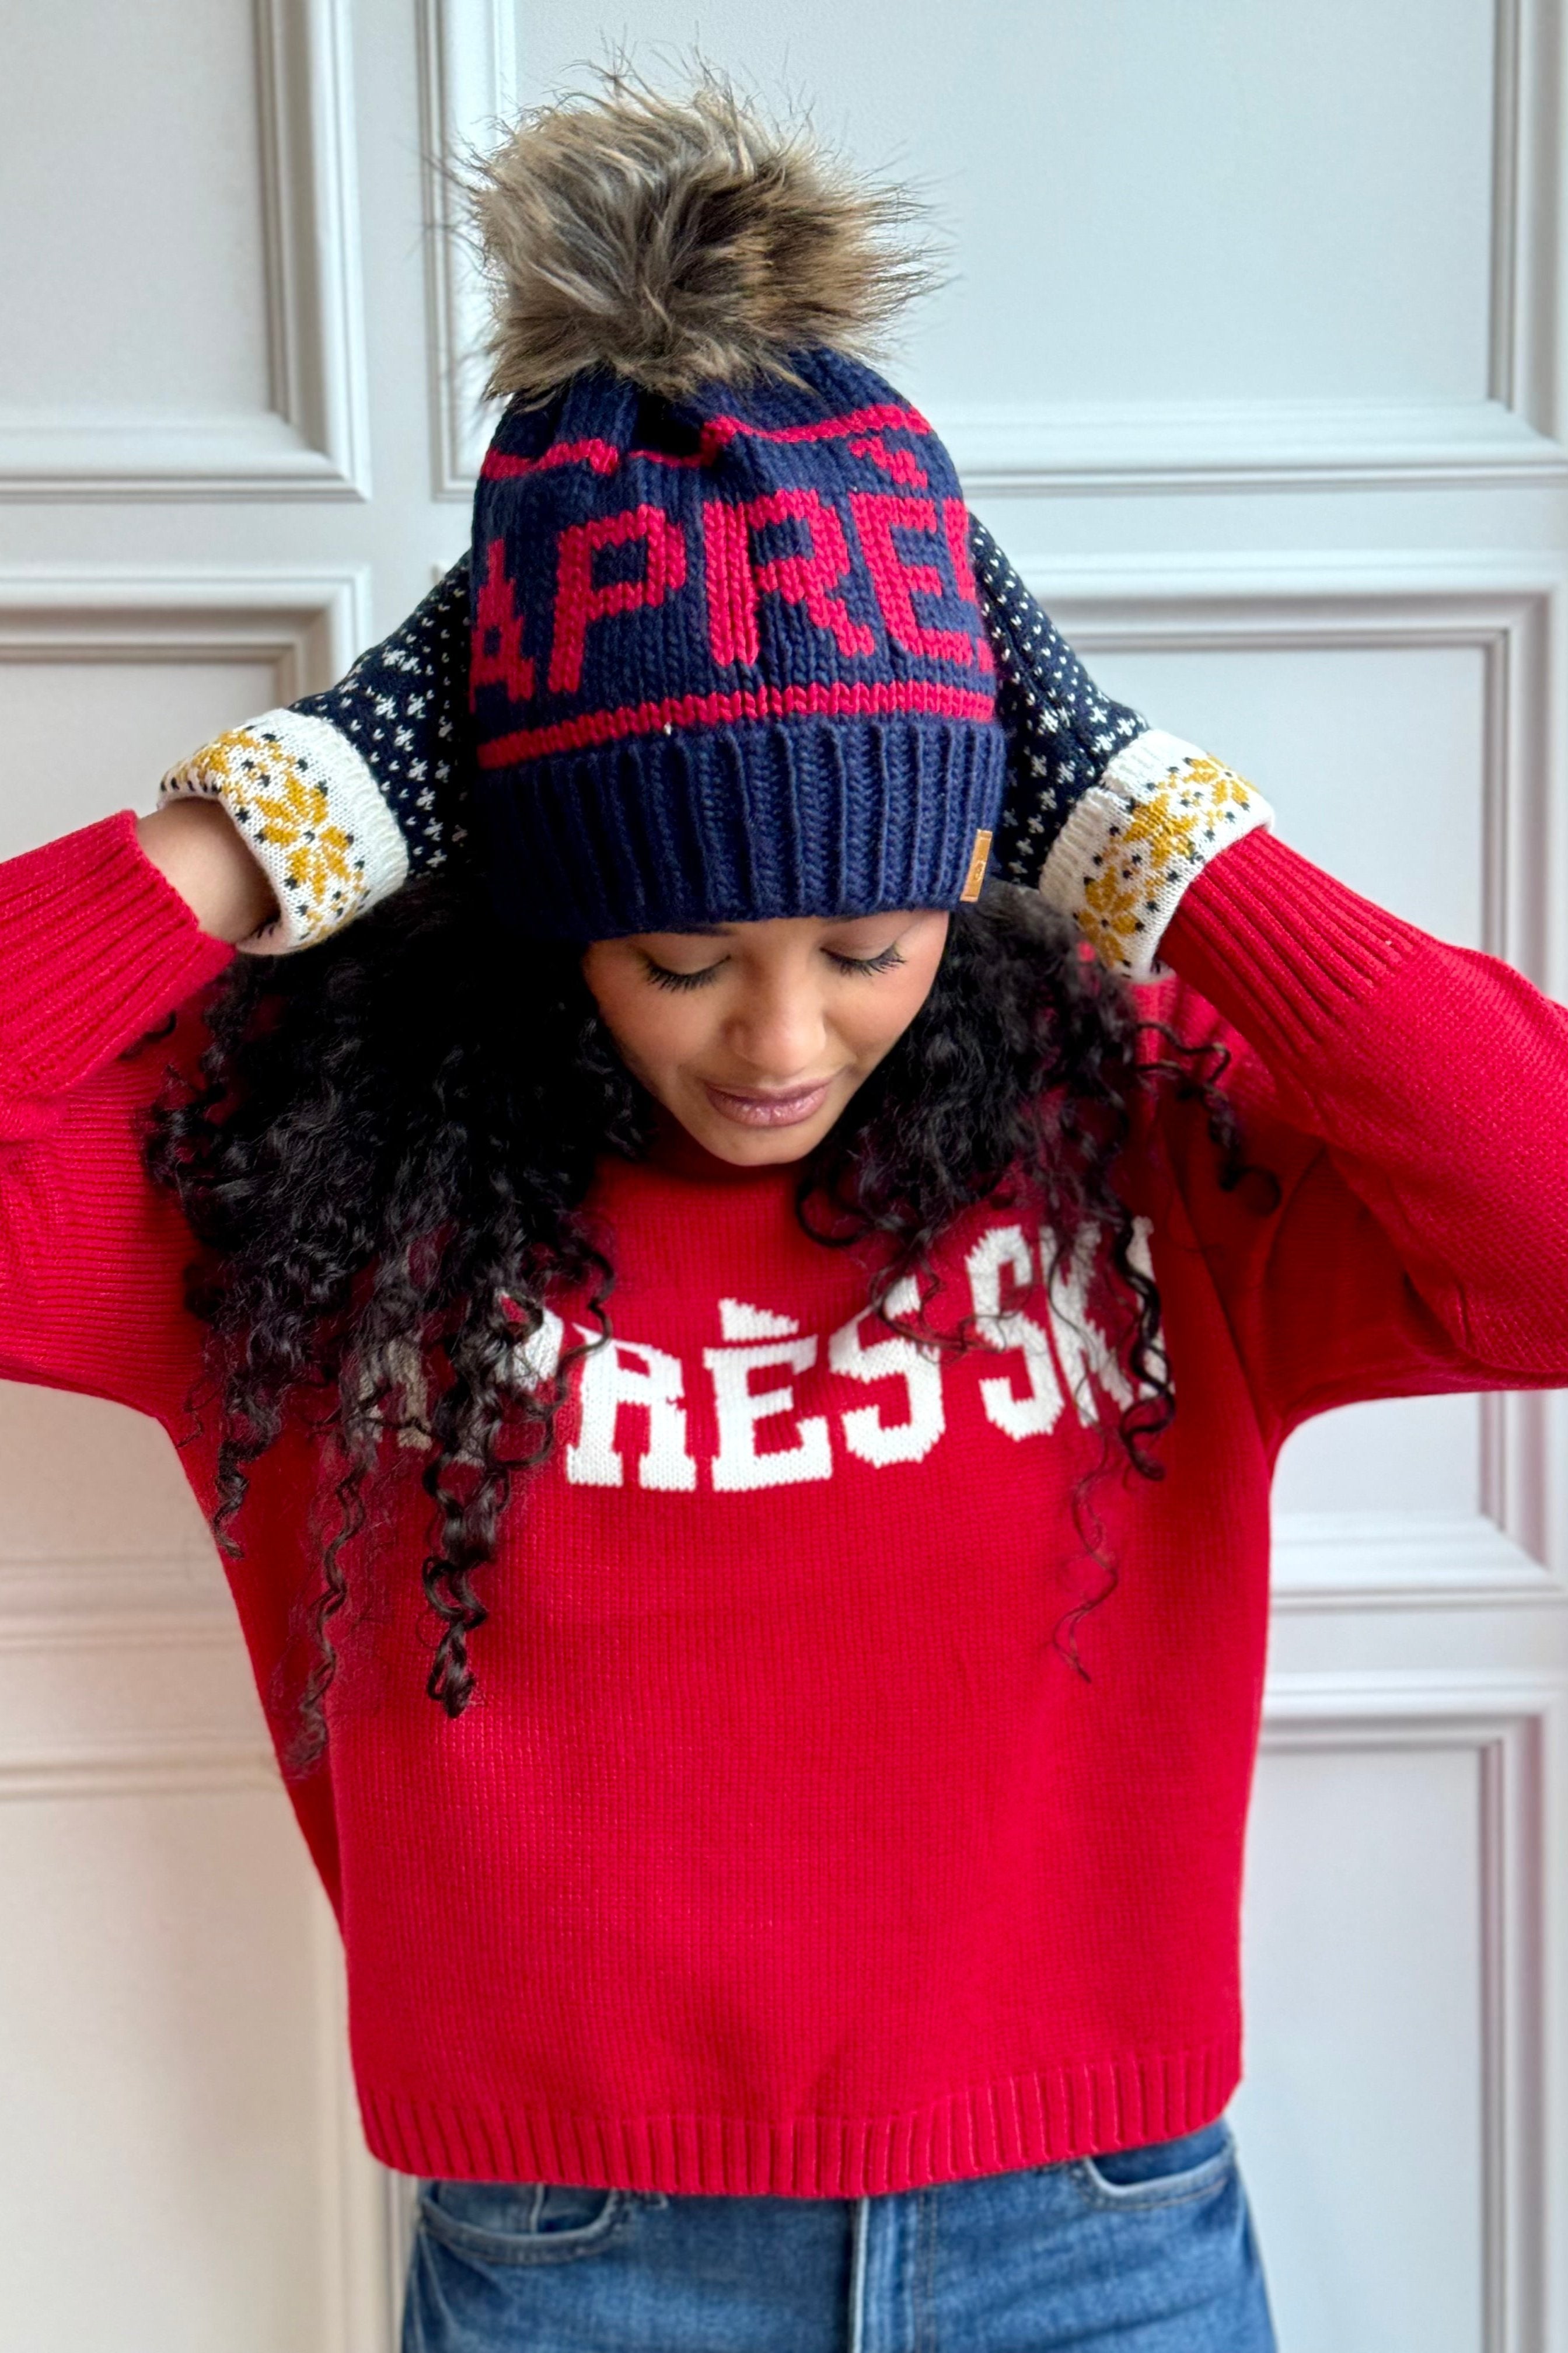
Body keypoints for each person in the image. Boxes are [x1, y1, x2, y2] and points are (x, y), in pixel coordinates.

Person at [6, 66, 1567, 2353]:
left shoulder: (1123, 1131)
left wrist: (1138, 803)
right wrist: (305, 796)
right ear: (553, 919)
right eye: (680, 955)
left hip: (1101, 2240)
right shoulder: (304, 1182)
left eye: (865, 940)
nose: (777, 1042)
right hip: (577, 2269)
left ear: (976, 858)